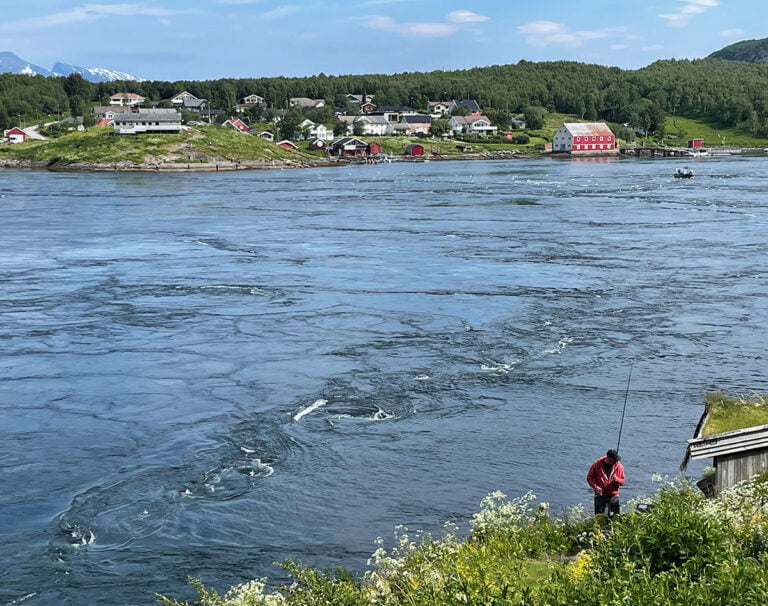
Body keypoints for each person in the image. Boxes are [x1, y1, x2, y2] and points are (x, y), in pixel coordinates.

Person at [587, 449, 625, 517]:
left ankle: (613, 526)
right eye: (614, 460)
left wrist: (617, 480)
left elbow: (622, 482)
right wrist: (596, 487)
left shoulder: (619, 467)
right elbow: (590, 478)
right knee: (599, 517)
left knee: (615, 516)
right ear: (608, 458)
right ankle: (600, 527)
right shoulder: (597, 464)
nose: (616, 462)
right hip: (600, 495)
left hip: (613, 495)